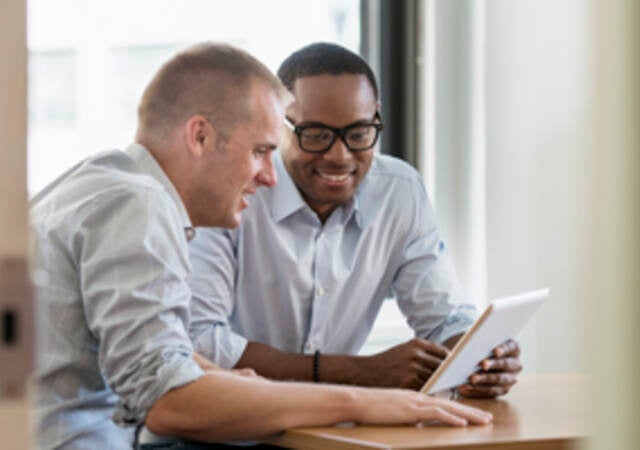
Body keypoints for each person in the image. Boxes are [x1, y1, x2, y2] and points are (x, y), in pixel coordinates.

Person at [31, 42, 492, 450]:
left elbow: (150, 352)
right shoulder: (139, 204)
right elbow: (167, 401)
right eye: (259, 152)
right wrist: (366, 398)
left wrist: (220, 377)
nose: (270, 177)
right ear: (200, 136)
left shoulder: (105, 185)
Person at [188, 42, 522, 398]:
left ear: (376, 117)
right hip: (218, 432)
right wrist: (358, 372)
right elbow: (199, 342)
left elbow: (443, 317)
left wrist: (478, 358)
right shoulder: (228, 189)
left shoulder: (399, 191)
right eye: (316, 135)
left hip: (327, 431)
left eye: (359, 134)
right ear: (276, 124)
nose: (339, 155)